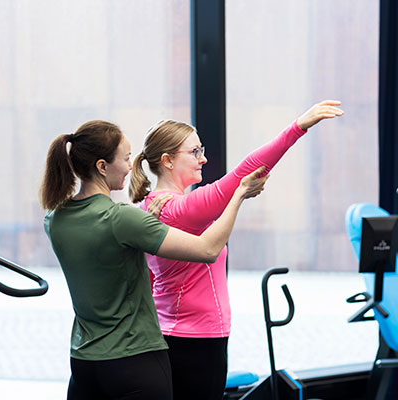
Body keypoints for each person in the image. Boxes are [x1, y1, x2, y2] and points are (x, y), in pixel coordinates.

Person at [129, 100, 344, 400]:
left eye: (202, 150)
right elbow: (242, 175)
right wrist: (298, 127)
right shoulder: (178, 209)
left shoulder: (151, 206)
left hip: (176, 336)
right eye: (194, 152)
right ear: (167, 161)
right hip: (194, 341)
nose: (203, 159)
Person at [40, 120, 267, 400]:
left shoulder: (54, 220)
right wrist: (239, 194)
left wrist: (147, 226)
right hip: (134, 362)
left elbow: (115, 263)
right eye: (125, 159)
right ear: (102, 166)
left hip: (84, 363)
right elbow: (208, 250)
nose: (129, 166)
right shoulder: (122, 218)